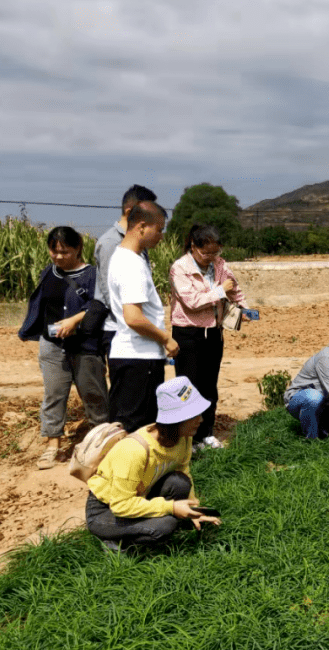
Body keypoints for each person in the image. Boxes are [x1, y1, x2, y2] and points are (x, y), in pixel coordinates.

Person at [86, 375, 221, 554]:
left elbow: (183, 470)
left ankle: (133, 528)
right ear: (176, 420)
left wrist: (194, 510)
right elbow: (120, 505)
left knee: (180, 482)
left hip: (140, 493)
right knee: (165, 525)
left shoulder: (183, 438)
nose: (201, 420)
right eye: (194, 415)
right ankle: (115, 543)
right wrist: (171, 508)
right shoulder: (134, 450)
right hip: (105, 510)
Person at [18, 226, 110, 469]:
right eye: (54, 251)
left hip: (84, 345)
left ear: (78, 248)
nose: (58, 256)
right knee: (54, 395)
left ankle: (102, 445)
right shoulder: (48, 273)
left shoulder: (93, 275)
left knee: (94, 394)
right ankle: (52, 447)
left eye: (65, 251)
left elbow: (101, 305)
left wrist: (74, 321)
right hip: (52, 345)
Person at [169, 223, 251, 451]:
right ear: (193, 247)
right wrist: (220, 290)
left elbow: (235, 290)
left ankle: (206, 433)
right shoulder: (180, 268)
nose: (211, 257)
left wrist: (244, 309)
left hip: (214, 333)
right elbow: (192, 302)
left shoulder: (220, 265)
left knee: (209, 386)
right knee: (189, 387)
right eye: (206, 253)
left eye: (215, 252)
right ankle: (187, 439)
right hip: (188, 333)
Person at [106, 200, 178, 431]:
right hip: (139, 358)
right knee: (137, 428)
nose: (161, 236)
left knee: (124, 425)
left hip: (131, 356)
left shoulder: (124, 257)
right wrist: (165, 339)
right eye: (159, 230)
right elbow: (133, 317)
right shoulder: (131, 264)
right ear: (142, 227)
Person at [93, 185, 157, 357]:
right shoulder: (111, 243)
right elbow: (110, 292)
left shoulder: (137, 242)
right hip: (119, 328)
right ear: (130, 212)